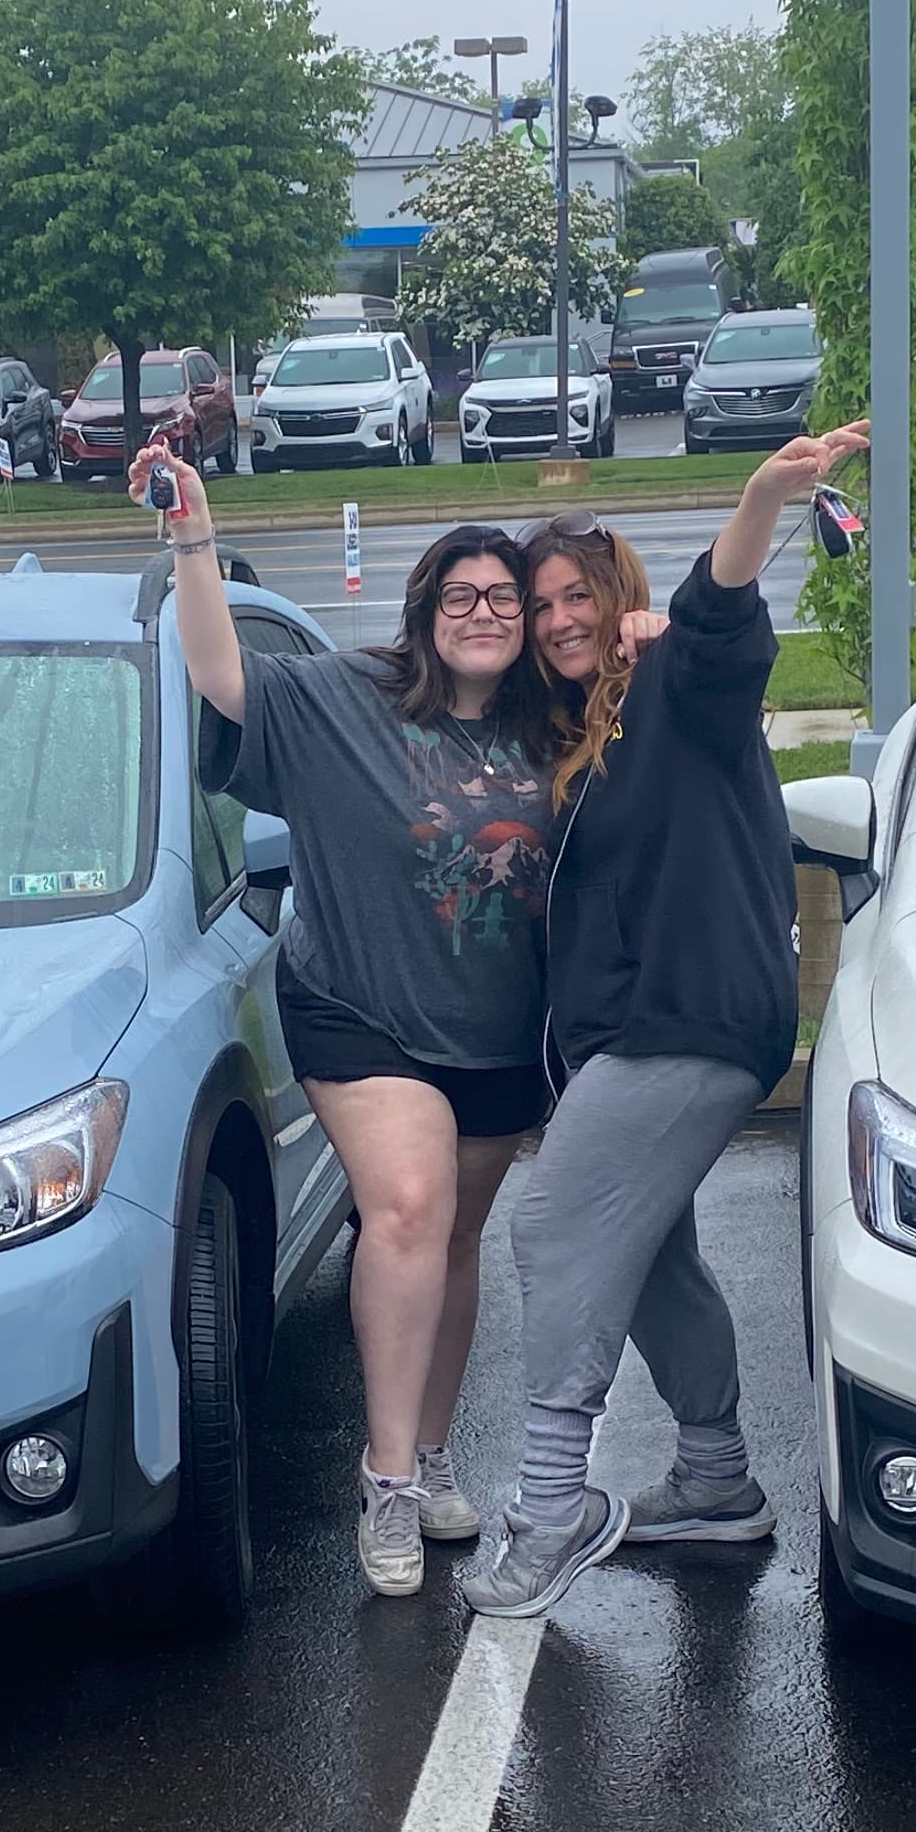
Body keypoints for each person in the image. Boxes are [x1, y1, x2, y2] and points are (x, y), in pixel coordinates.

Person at [458, 424, 871, 1622]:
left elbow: (728, 609)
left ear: (621, 598)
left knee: (552, 1231)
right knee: (650, 1261)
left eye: (575, 597)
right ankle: (714, 1478)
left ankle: (550, 1505)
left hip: (687, 1023)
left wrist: (755, 503)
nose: (556, 620)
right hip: (630, 1036)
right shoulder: (579, 737)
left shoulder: (681, 678)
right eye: (540, 607)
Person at [134, 437, 556, 1597]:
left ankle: (430, 1448)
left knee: (454, 1244)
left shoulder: (550, 730)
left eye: (502, 598)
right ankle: (385, 1481)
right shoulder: (344, 702)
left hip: (497, 1032)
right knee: (408, 1212)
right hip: (357, 1011)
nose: (484, 611)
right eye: (460, 595)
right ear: (424, 614)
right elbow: (221, 674)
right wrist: (195, 536)